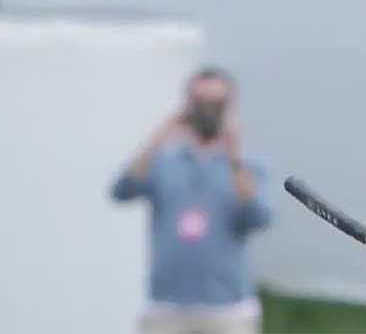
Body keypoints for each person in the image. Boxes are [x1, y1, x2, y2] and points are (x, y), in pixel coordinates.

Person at [109, 67, 272, 334]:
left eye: (217, 104)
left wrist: (234, 155)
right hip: (167, 306)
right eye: (200, 102)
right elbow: (121, 190)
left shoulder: (249, 166)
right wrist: (159, 137)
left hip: (227, 307)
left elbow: (258, 218)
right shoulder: (164, 161)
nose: (208, 111)